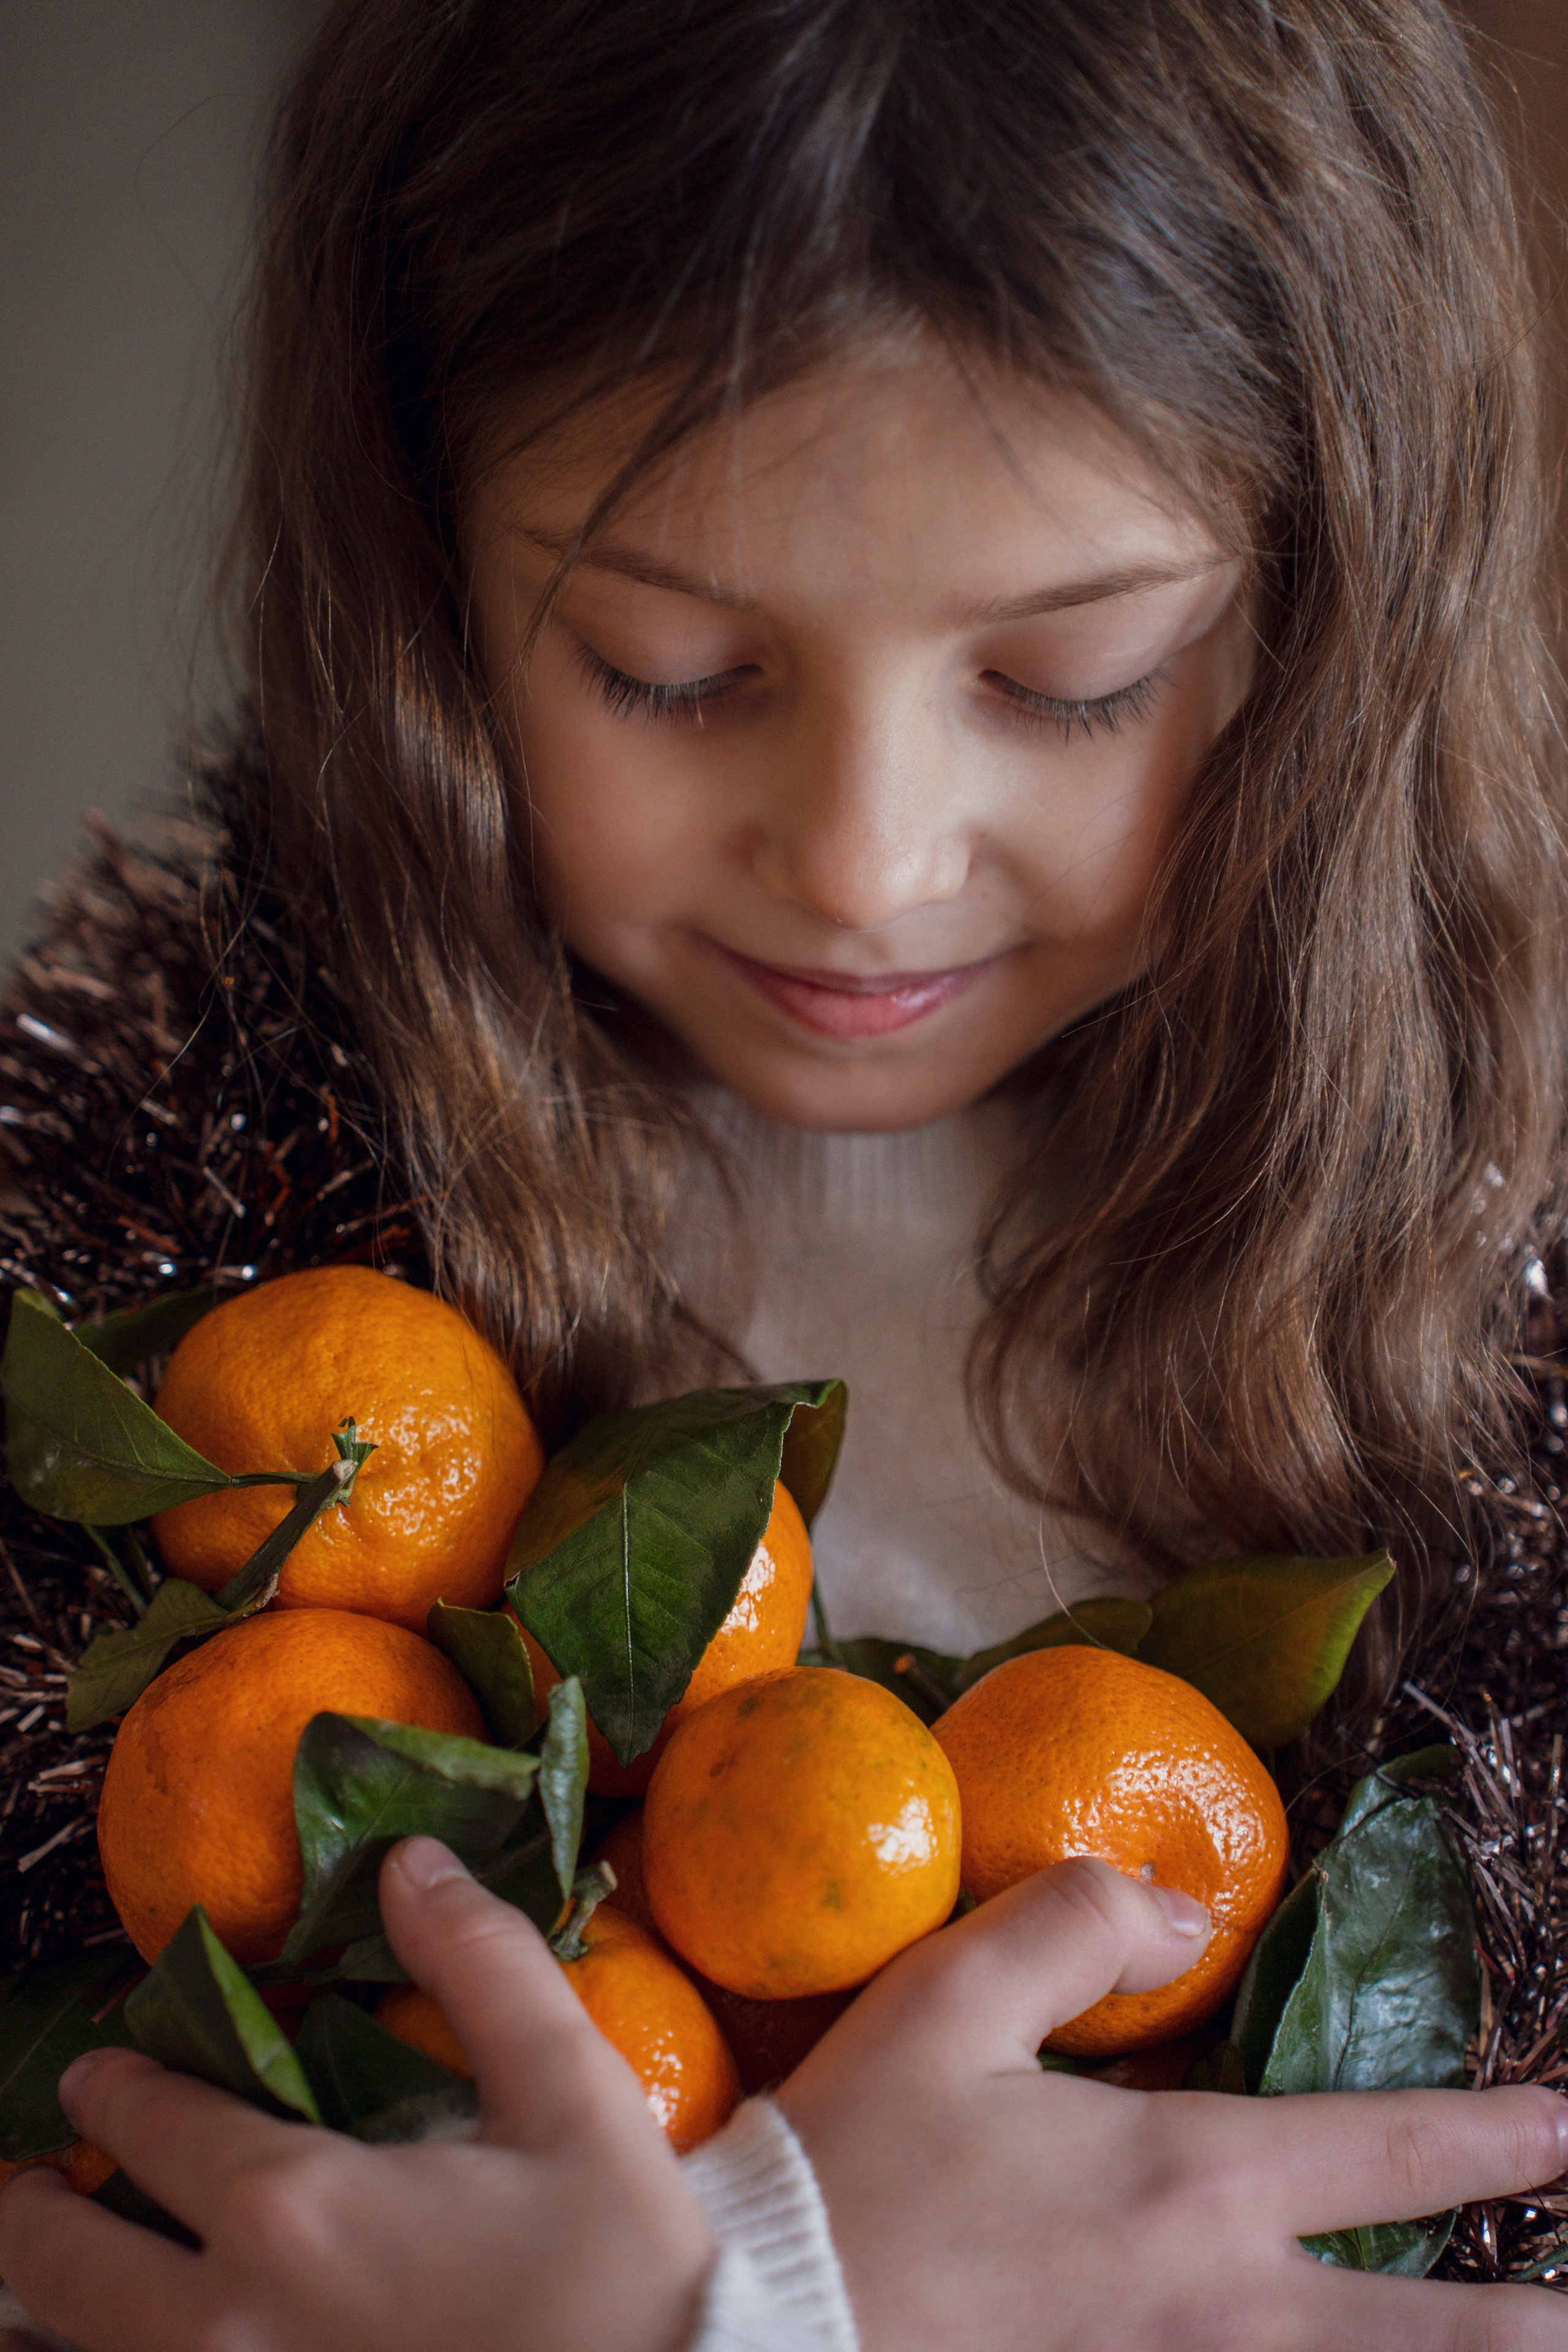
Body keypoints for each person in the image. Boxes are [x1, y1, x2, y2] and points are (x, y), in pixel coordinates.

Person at [1, 0, 1566, 2344]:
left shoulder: (1499, 1299)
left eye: (1066, 678)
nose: (861, 866)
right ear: (428, 572)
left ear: (1325, 623)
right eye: (668, 665)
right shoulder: (137, 1250)